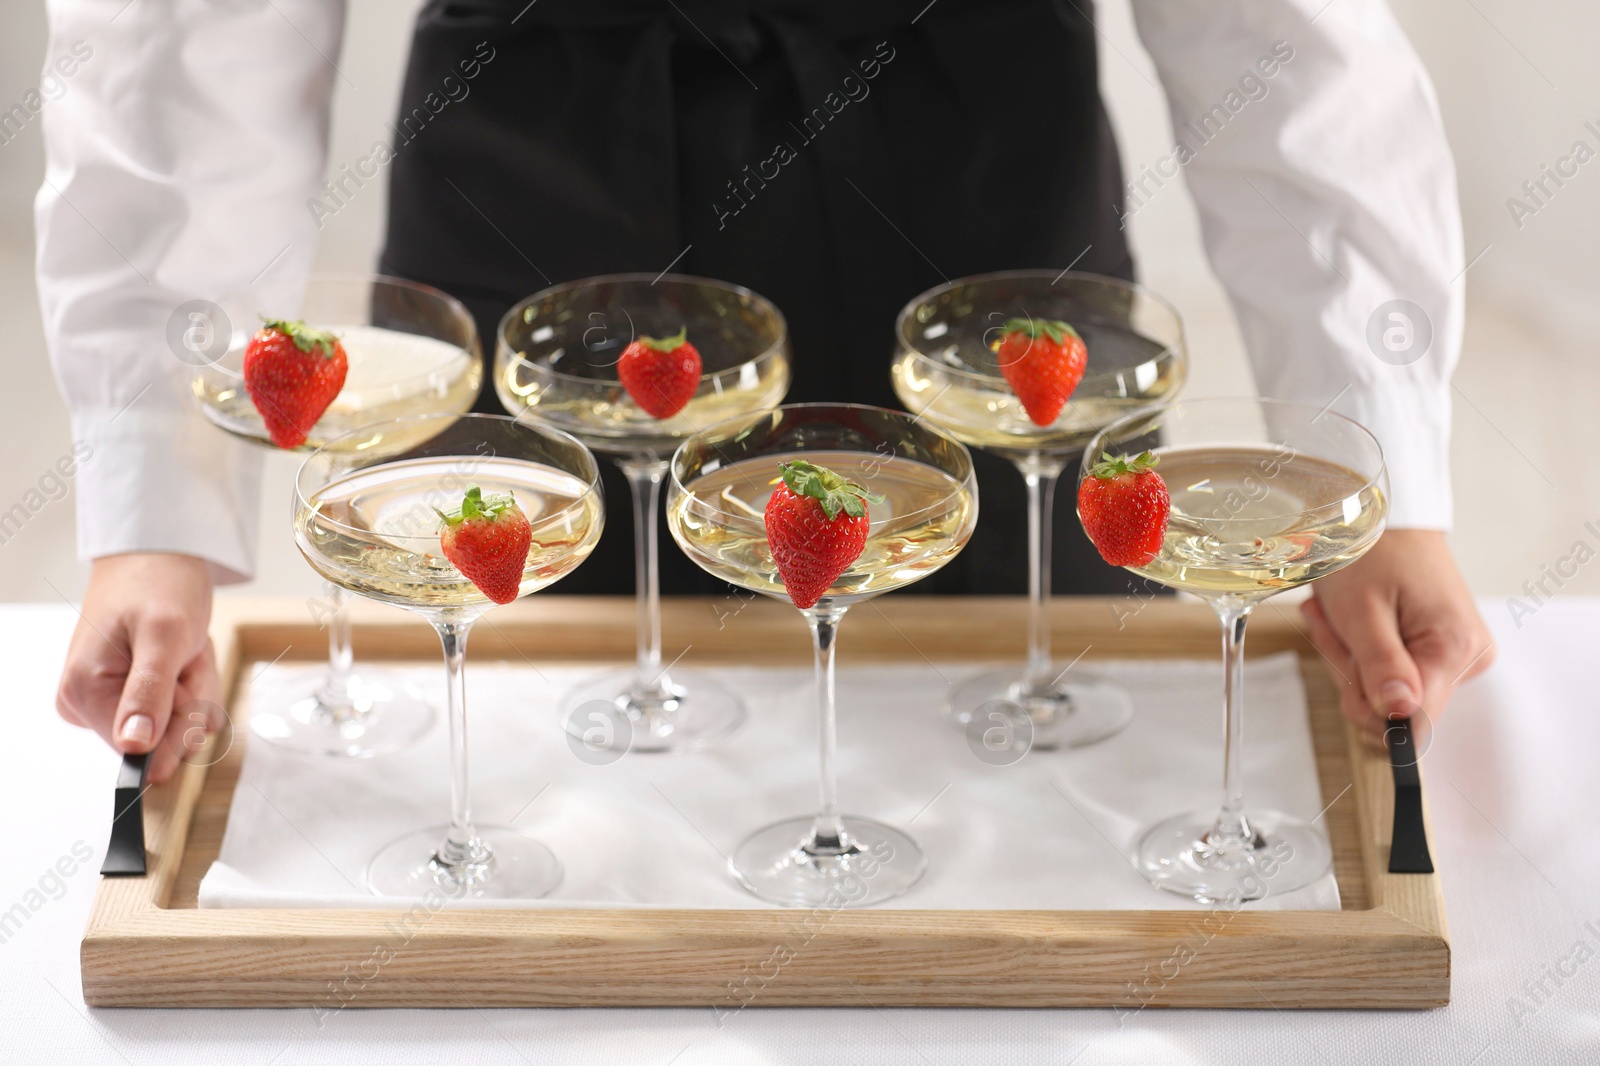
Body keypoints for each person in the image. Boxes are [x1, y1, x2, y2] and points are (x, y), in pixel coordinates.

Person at [37, 0, 1491, 782]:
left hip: (977, 178)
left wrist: (1387, 464)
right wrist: (157, 486)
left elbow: (1282, 28)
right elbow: (192, 23)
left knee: (1040, 759)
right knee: (536, 791)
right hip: (535, 169)